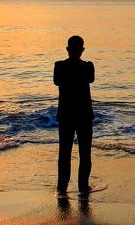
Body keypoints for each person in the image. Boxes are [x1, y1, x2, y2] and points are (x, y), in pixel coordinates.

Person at [53, 35, 95, 197]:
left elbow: (57, 81)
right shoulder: (88, 67)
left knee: (64, 153)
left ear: (67, 50)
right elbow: (90, 79)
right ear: (82, 50)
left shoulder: (59, 66)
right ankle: (83, 186)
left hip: (65, 115)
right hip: (84, 115)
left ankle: (62, 187)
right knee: (85, 153)